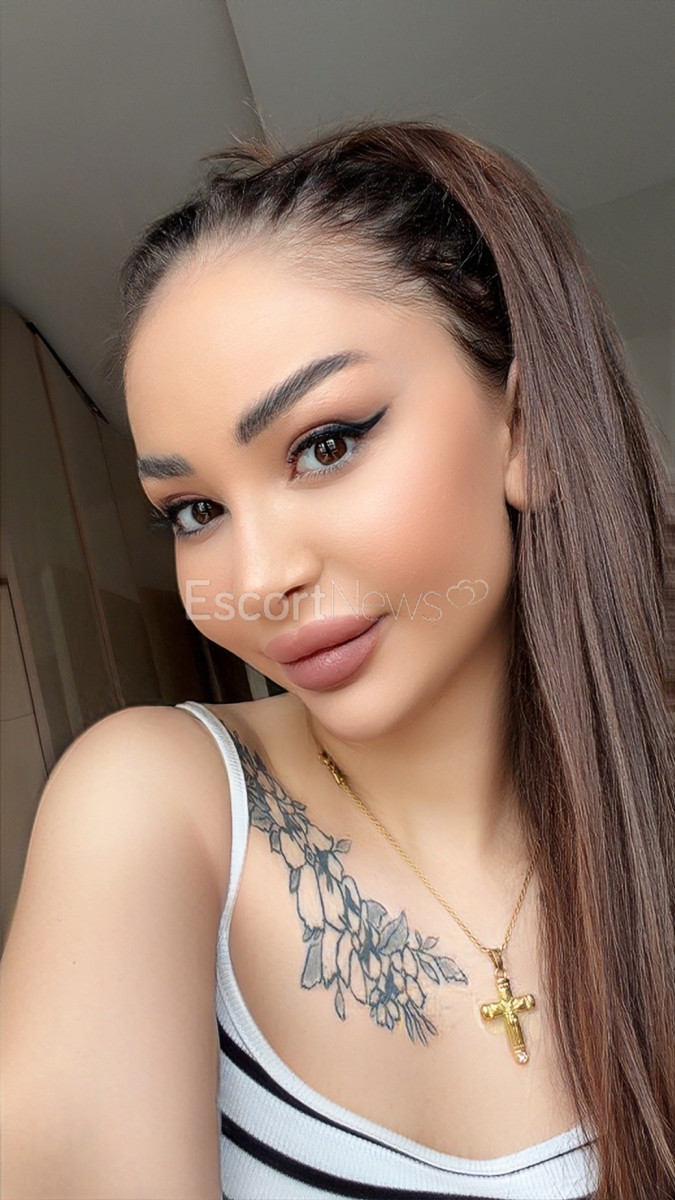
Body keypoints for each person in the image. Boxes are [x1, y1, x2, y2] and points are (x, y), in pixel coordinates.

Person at [1, 119, 673, 1200]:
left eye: (324, 444)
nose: (258, 578)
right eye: (193, 510)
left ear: (527, 429)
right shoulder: (153, 808)